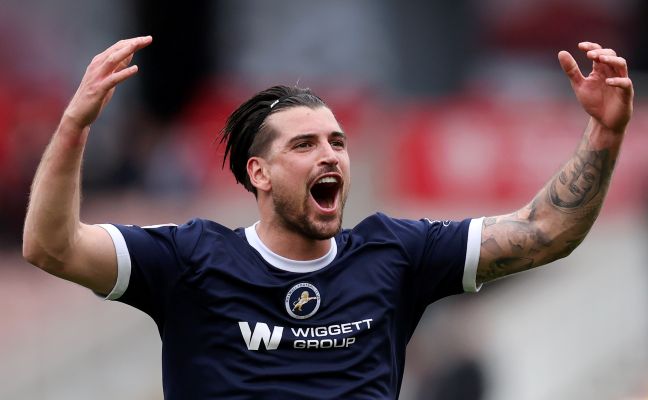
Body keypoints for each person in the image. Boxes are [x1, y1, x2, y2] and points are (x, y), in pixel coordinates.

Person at [22, 36, 633, 399]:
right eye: (304, 144)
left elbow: (544, 232)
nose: (331, 154)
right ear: (259, 173)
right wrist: (75, 126)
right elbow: (50, 247)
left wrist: (604, 133)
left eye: (337, 141)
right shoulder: (189, 259)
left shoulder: (395, 252)